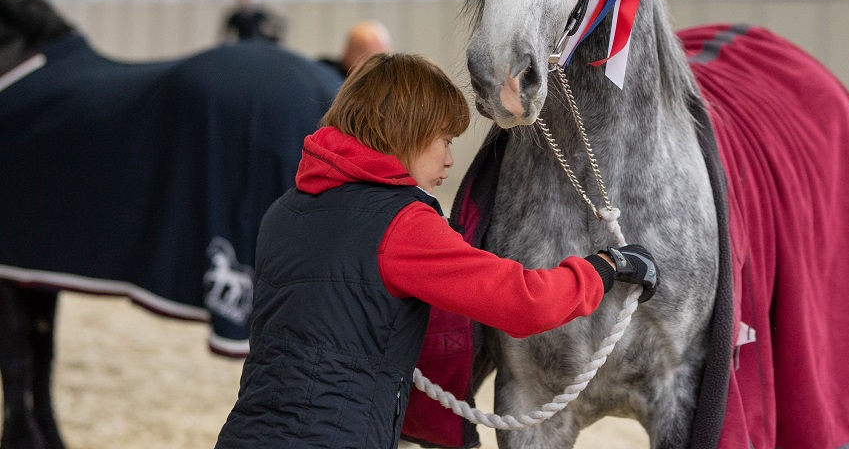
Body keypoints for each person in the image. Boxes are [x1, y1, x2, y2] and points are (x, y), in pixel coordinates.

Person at [214, 53, 658, 448]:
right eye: (444, 140)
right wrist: (605, 267)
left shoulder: (285, 210)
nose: (449, 160)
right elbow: (524, 302)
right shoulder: (402, 225)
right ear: (408, 132)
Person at [318, 20, 394, 78]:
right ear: (347, 53)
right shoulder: (326, 75)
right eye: (368, 57)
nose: (377, 66)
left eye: (384, 58)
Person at [220, 0, 286, 43]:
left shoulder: (260, 15)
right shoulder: (234, 18)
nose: (244, 0)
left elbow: (275, 32)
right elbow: (226, 37)